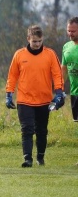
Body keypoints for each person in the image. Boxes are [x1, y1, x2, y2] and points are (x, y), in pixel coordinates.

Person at [5, 25, 64, 167]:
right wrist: (9, 94)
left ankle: (40, 157)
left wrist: (59, 92)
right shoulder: (19, 55)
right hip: (24, 100)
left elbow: (57, 74)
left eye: (39, 41)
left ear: (42, 39)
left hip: (44, 100)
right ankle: (27, 159)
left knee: (42, 130)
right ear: (28, 39)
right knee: (27, 129)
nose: (37, 44)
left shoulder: (50, 54)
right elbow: (12, 76)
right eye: (34, 41)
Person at [60, 16, 78, 166]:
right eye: (68, 31)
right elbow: (64, 69)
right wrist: (60, 88)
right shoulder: (66, 47)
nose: (70, 34)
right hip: (75, 92)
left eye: (73, 31)